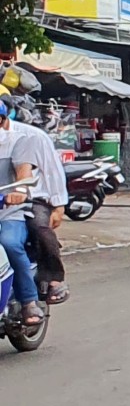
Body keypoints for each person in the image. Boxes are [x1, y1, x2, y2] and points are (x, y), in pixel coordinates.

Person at [0, 94, 48, 322]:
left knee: (8, 243)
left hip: (9, 212)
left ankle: (28, 301)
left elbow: (24, 174)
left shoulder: (18, 142)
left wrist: (18, 193)